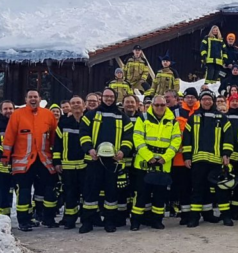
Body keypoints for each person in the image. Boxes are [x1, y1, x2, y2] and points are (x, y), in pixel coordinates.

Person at [79, 88, 134, 233]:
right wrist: (89, 149)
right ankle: (87, 222)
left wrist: (123, 151)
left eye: (111, 97)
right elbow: (83, 134)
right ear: (101, 97)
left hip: (114, 162)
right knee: (91, 193)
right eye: (106, 96)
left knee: (111, 193)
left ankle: (110, 221)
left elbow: (128, 138)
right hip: (94, 161)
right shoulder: (90, 115)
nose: (109, 99)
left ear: (115, 98)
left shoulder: (123, 117)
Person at [2, 90, 59, 231]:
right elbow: (9, 137)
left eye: (35, 97)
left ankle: (48, 218)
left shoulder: (48, 114)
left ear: (40, 99)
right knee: (24, 191)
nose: (33, 99)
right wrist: (6, 155)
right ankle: (24, 221)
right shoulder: (17, 115)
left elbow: (54, 137)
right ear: (26, 99)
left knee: (49, 188)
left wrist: (56, 155)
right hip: (23, 160)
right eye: (30, 97)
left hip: (44, 159)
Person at [130, 95, 182, 231]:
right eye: (157, 105)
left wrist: (166, 157)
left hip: (164, 163)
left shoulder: (172, 121)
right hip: (144, 162)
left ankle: (157, 220)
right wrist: (149, 157)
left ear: (166, 106)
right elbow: (137, 138)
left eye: (162, 105)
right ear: (152, 106)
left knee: (160, 194)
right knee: (141, 194)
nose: (160, 107)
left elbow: (176, 141)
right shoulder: (143, 118)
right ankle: (136, 220)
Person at [183, 90, 234, 227]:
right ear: (200, 101)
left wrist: (226, 153)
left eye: (209, 99)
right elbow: (187, 139)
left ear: (213, 101)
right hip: (198, 161)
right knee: (198, 189)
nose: (207, 102)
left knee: (221, 189)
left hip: (216, 161)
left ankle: (225, 216)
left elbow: (228, 137)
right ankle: (195, 217)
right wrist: (187, 157)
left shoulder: (221, 118)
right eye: (204, 99)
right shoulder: (193, 117)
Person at [53, 96, 87, 229]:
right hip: (68, 166)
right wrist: (57, 161)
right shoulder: (63, 123)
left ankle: (86, 219)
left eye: (78, 103)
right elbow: (57, 144)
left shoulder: (89, 122)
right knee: (69, 194)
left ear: (84, 105)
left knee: (86, 194)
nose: (76, 105)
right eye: (73, 103)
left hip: (86, 165)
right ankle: (69, 219)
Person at [171, 87, 199, 224]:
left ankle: (197, 214)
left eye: (193, 97)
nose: (190, 99)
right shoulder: (176, 112)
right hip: (179, 159)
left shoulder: (201, 112)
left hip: (198, 157)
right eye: (188, 97)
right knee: (184, 188)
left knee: (198, 187)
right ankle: (185, 214)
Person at [0, 100, 14, 217]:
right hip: (2, 166)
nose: (8, 111)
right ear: (1, 111)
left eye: (11, 109)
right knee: (2, 192)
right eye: (6, 109)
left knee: (20, 192)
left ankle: (27, 218)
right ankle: (3, 218)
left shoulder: (19, 124)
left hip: (18, 164)